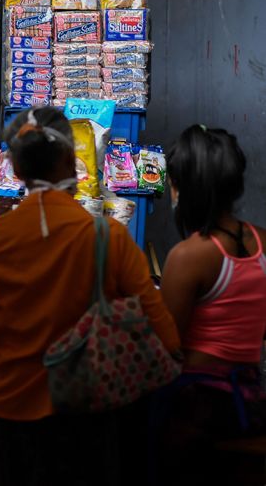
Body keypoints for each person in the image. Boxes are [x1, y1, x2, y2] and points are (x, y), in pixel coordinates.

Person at [0, 107, 179, 485]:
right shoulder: (109, 239)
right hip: (82, 430)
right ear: (73, 163)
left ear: (16, 171)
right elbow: (166, 338)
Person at [154, 125, 266, 483]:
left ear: (186, 187)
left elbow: (165, 345)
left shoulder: (190, 256)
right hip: (249, 396)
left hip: (199, 408)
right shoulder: (263, 242)